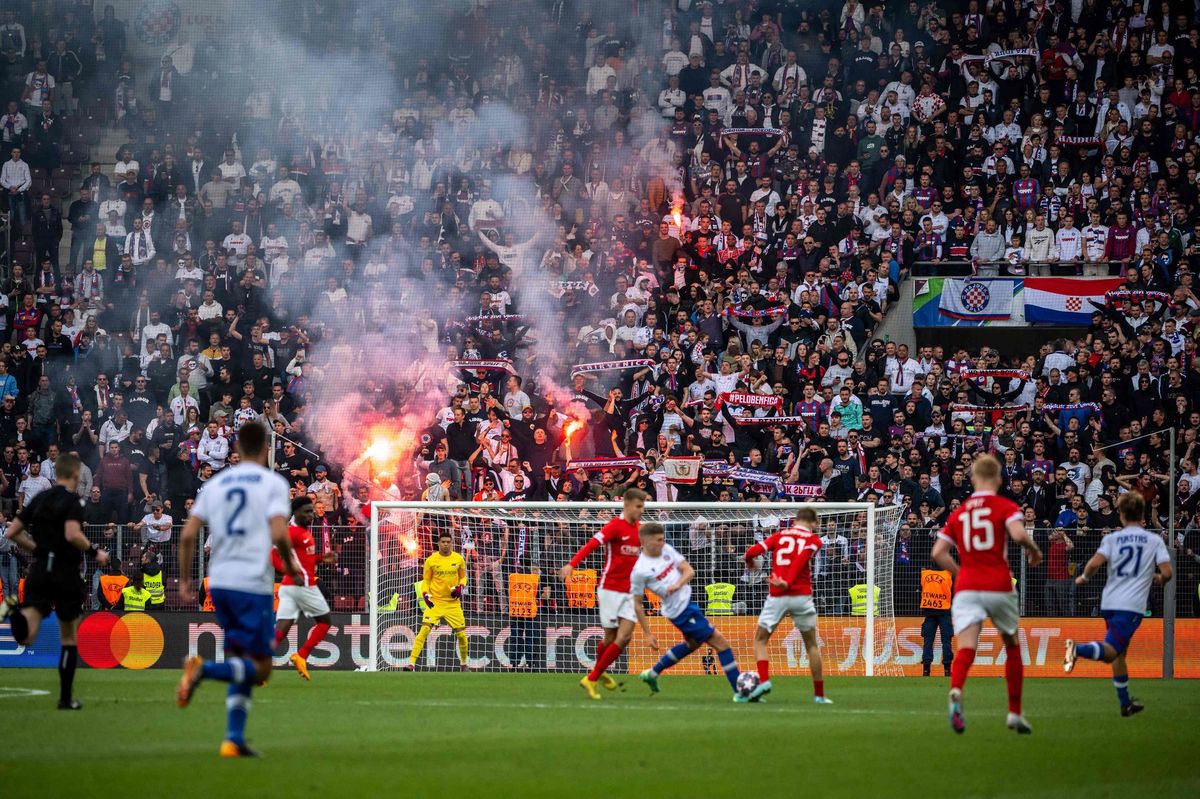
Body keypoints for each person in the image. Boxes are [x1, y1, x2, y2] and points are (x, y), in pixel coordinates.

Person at [175, 422, 299, 758]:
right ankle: (202, 670)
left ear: (238, 447)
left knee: (238, 661)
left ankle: (233, 739)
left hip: (220, 582)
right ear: (265, 449)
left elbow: (187, 536)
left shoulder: (217, 483)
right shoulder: (273, 483)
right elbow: (278, 532)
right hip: (251, 584)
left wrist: (186, 581)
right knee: (261, 668)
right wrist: (291, 567)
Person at [932, 454, 1042, 735]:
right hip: (998, 584)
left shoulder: (959, 512)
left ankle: (956, 690)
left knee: (966, 648)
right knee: (1012, 645)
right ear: (999, 479)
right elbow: (1018, 535)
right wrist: (1033, 550)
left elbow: (938, 553)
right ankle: (1014, 713)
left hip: (968, 586)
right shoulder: (1005, 505)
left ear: (972, 479)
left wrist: (961, 573)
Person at [0, 453, 109, 709]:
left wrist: (37, 549)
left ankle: (12, 609)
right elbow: (72, 533)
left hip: (40, 570)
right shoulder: (74, 501)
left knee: (27, 637)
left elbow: (13, 532)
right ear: (75, 475)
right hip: (66, 572)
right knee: (69, 637)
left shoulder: (39, 498)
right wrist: (95, 551)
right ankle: (65, 699)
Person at [1064, 492, 1172, 716]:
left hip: (1110, 601)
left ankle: (1125, 703)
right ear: (1141, 515)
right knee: (1112, 651)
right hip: (1131, 605)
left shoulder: (1113, 539)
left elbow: (1094, 563)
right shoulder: (1153, 540)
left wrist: (1083, 578)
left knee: (1120, 653)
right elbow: (1167, 572)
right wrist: (1159, 578)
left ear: (1121, 515)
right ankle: (1076, 649)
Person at [631, 521, 745, 700]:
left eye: (663, 539)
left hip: (689, 603)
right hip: (679, 611)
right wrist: (647, 633)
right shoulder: (639, 570)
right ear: (644, 542)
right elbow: (637, 603)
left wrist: (677, 584)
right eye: (658, 540)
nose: (662, 543)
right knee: (722, 645)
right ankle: (740, 692)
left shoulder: (667, 549)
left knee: (692, 644)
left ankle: (653, 673)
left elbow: (689, 571)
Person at [560, 487, 648, 700]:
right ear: (627, 505)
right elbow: (592, 544)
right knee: (610, 637)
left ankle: (593, 676)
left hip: (628, 591)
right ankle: (598, 674)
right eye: (638, 506)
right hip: (609, 589)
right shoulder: (615, 527)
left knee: (625, 635)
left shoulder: (640, 530)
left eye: (643, 507)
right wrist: (572, 564)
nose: (641, 511)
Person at [740, 506, 830, 704]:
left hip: (777, 595)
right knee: (811, 645)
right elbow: (801, 558)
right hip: (801, 596)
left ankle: (764, 681)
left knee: (760, 640)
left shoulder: (779, 536)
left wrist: (750, 564)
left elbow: (751, 552)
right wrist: (789, 581)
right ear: (813, 523)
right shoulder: (814, 540)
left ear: (796, 520)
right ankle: (819, 696)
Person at [271, 494, 337, 680]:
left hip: (290, 587)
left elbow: (304, 560)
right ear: (296, 513)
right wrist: (290, 572)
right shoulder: (291, 532)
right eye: (307, 512)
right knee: (324, 622)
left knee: (281, 630)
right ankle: (301, 655)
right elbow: (273, 555)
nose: (311, 515)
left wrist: (321, 559)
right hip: (303, 585)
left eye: (312, 511)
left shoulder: (305, 532)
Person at [406, 529, 469, 671]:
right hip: (435, 603)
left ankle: (464, 664)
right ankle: (411, 664)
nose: (446, 544)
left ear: (452, 543)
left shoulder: (458, 559)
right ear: (438, 543)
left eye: (448, 542)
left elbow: (463, 577)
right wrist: (425, 594)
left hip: (452, 604)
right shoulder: (431, 560)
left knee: (462, 635)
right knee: (423, 631)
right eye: (443, 542)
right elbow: (426, 581)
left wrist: (461, 586)